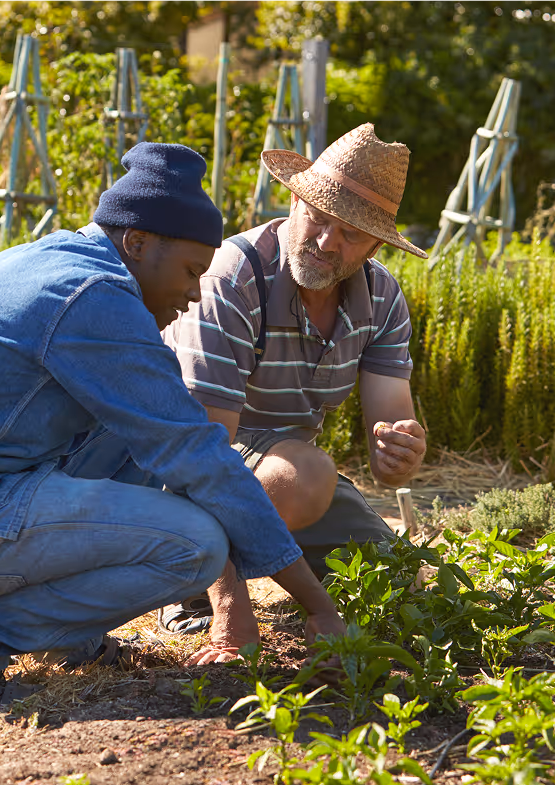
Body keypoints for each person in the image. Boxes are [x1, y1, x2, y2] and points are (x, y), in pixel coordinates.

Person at [0, 143, 347, 705]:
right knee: (194, 547)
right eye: (188, 271)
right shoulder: (94, 297)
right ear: (135, 243)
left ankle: (71, 636)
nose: (192, 293)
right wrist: (317, 605)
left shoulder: (64, 262)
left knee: (138, 425)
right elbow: (199, 457)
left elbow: (171, 432)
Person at [157, 124, 430, 661]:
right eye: (320, 218)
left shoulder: (381, 297)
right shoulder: (235, 277)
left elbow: (390, 447)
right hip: (175, 471)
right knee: (305, 476)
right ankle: (191, 585)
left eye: (352, 233)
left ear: (378, 243)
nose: (328, 241)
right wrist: (233, 612)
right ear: (296, 198)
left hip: (276, 478)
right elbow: (198, 457)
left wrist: (401, 452)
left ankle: (246, 552)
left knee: (396, 580)